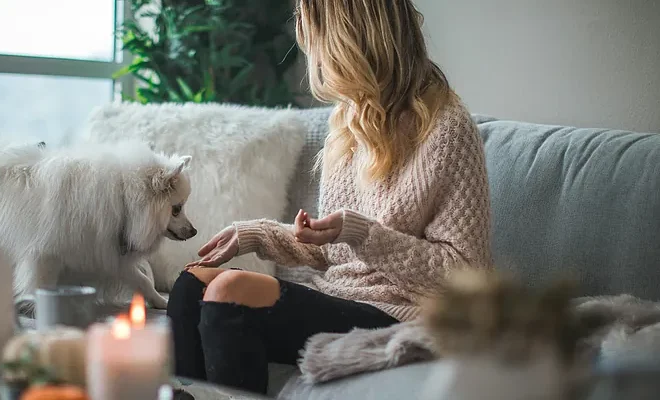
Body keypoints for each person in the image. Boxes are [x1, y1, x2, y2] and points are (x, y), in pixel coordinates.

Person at [166, 0, 492, 394]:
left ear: (349, 37)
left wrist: (361, 234)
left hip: (403, 313)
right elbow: (331, 250)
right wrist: (258, 235)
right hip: (337, 298)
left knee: (227, 294)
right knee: (190, 286)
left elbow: (465, 275)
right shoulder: (348, 121)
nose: (309, 46)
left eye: (314, 30)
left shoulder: (447, 130)